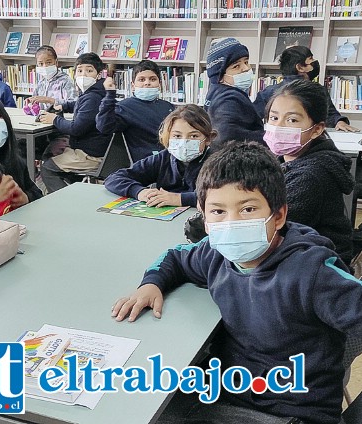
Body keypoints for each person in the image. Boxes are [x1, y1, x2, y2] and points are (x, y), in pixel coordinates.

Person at [112, 141, 362, 424]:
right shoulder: (214, 253)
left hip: (291, 412)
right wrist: (151, 284)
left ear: (278, 215)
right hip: (230, 391)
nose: (231, 223)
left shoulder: (312, 272)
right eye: (218, 212)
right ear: (204, 219)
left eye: (247, 210)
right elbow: (176, 258)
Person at [264, 79, 354, 263]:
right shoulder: (282, 160)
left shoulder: (310, 176)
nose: (279, 126)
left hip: (319, 272)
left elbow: (269, 233)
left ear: (317, 130)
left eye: (292, 120)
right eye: (274, 118)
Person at [104, 104, 215, 208]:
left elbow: (223, 196)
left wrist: (179, 199)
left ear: (208, 139)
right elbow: (114, 178)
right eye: (177, 136)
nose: (184, 142)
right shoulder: (163, 158)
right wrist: (139, 192)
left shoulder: (217, 162)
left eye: (194, 136)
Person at [37, 53, 113, 193]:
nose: (83, 74)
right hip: (96, 150)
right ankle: (73, 191)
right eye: (79, 70)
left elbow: (76, 128)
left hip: (90, 155)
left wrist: (54, 119)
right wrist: (64, 106)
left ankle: (63, 201)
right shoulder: (96, 91)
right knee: (55, 155)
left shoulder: (92, 97)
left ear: (98, 74)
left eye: (89, 70)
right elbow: (80, 105)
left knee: (47, 167)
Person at [253, 45, 360, 132]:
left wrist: (339, 121)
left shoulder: (267, 92)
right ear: (300, 67)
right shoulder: (317, 91)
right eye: (311, 59)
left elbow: (252, 119)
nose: (315, 62)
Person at [96, 59, 174, 161]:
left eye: (152, 79)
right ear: (133, 86)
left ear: (159, 84)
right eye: (141, 80)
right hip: (145, 161)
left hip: (170, 156)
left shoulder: (168, 107)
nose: (147, 83)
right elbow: (104, 127)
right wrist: (110, 95)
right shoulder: (124, 107)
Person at [203, 37, 265, 149]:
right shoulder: (229, 98)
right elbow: (226, 135)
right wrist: (269, 137)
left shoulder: (215, 92)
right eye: (236, 66)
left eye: (246, 62)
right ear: (220, 76)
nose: (246, 68)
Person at [26, 45, 76, 111]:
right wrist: (31, 102)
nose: (45, 66)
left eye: (49, 62)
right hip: (43, 117)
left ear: (56, 62)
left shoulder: (66, 81)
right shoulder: (41, 82)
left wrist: (49, 100)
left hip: (60, 118)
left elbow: (73, 103)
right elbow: (36, 100)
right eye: (41, 63)